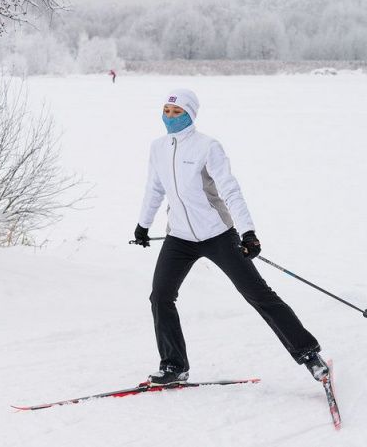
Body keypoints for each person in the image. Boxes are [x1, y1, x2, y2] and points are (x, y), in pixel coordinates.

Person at [134, 89, 328, 386]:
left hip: (217, 234)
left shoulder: (207, 146)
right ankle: (174, 365)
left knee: (258, 294)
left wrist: (248, 232)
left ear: (190, 115)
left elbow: (230, 189)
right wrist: (143, 225)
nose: (170, 117)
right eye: (166, 111)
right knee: (160, 296)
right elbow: (155, 188)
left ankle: (310, 355)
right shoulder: (157, 147)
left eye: (177, 112)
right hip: (179, 237)